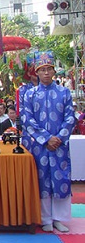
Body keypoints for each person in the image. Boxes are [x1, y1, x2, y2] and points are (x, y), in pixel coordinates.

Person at [22, 51, 75, 233]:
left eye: (48, 69)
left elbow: (70, 117)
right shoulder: (29, 94)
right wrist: (46, 138)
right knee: (42, 180)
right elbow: (27, 119)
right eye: (42, 69)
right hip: (39, 146)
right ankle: (44, 218)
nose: (45, 73)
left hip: (59, 145)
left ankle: (59, 218)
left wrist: (59, 137)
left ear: (54, 71)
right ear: (36, 72)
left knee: (60, 178)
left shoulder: (64, 92)